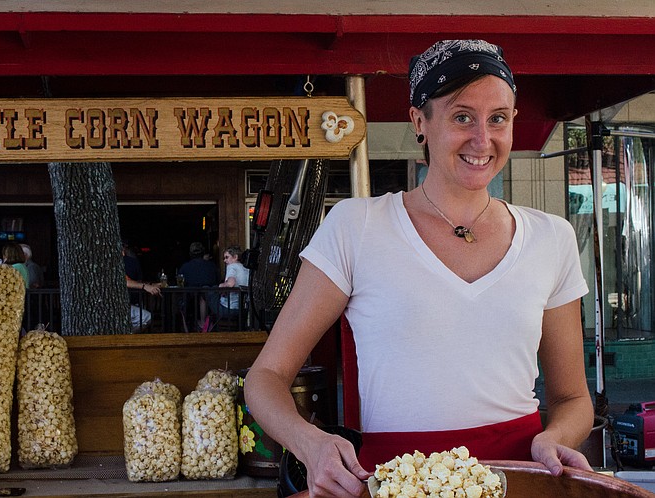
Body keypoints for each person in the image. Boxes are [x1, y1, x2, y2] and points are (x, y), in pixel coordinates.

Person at [244, 39, 593, 498]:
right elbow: (264, 379)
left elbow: (573, 399)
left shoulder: (552, 237)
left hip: (516, 479)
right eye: (462, 116)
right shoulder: (357, 226)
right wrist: (312, 445)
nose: (482, 140)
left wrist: (556, 437)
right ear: (419, 122)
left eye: (498, 119)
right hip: (394, 484)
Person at [207, 245, 250, 325]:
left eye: (227, 257)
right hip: (242, 310)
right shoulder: (246, 269)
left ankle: (203, 322)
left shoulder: (232, 266)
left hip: (228, 308)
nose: (224, 260)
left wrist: (221, 285)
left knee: (206, 290)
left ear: (235, 257)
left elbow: (231, 283)